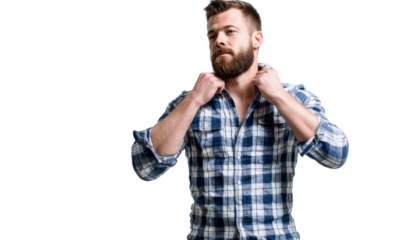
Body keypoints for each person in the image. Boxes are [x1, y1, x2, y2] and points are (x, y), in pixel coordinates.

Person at [130, 0, 349, 239]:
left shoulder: (294, 96)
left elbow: (336, 156)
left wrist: (278, 97)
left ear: (258, 39)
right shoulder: (188, 100)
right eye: (212, 35)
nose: (219, 40)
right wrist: (193, 100)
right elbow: (145, 168)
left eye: (230, 32)